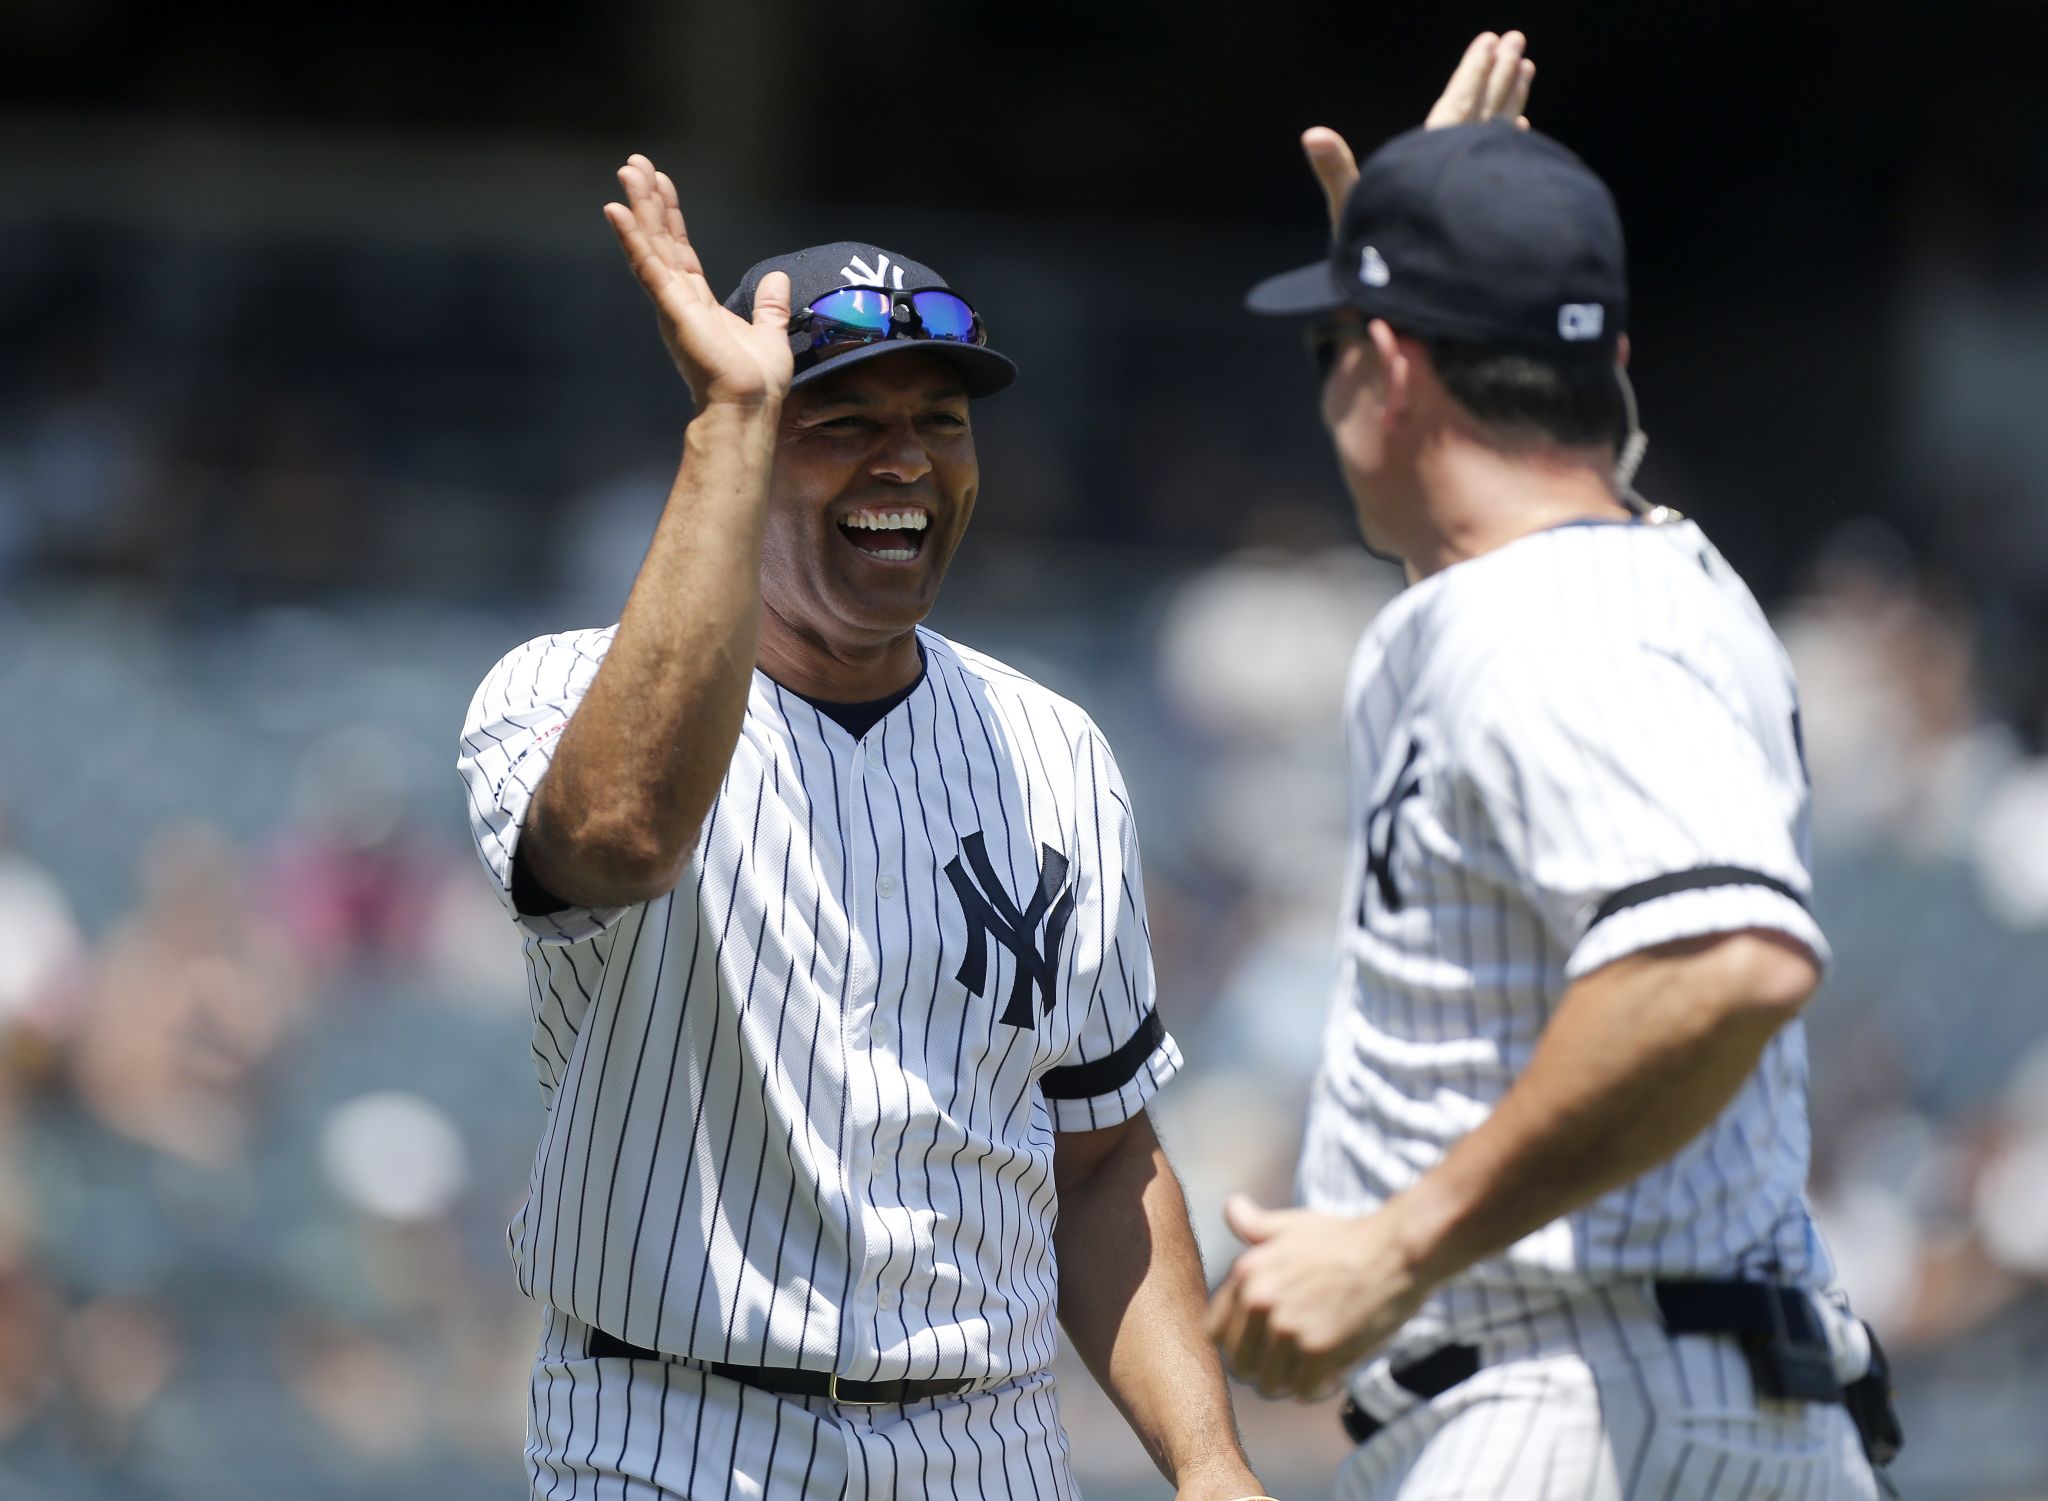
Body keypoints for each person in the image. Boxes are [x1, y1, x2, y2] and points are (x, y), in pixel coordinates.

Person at [456, 158, 1267, 1500]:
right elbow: (618, 835)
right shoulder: (553, 692)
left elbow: (1104, 1151)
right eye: (842, 422)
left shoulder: (1056, 751)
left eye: (940, 422)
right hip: (669, 1433)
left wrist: (1207, 1459)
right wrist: (733, 412)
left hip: (984, 1443)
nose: (906, 460)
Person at [1206, 39, 1903, 1501]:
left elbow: (1727, 958)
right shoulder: (1623, 581)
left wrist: (1397, 1239)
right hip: (1660, 1393)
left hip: (1583, 1404)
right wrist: (1448, 225)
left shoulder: (1551, 620)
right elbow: (1507, 497)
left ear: (1391, 370)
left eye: (1339, 347)